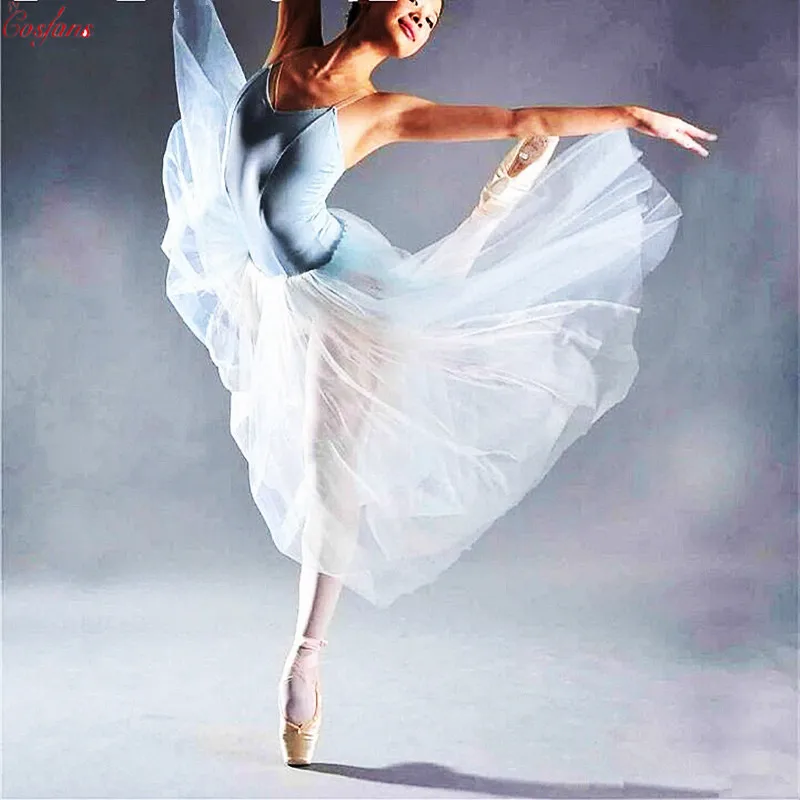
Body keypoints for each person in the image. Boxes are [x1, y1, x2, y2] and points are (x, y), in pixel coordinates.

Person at [161, 0, 717, 767]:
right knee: (314, 435)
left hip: (348, 295)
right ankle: (496, 205)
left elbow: (519, 117)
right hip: (273, 280)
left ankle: (306, 658)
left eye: (434, 12)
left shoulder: (381, 112)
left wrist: (628, 114)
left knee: (332, 467)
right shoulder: (292, 42)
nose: (424, 14)